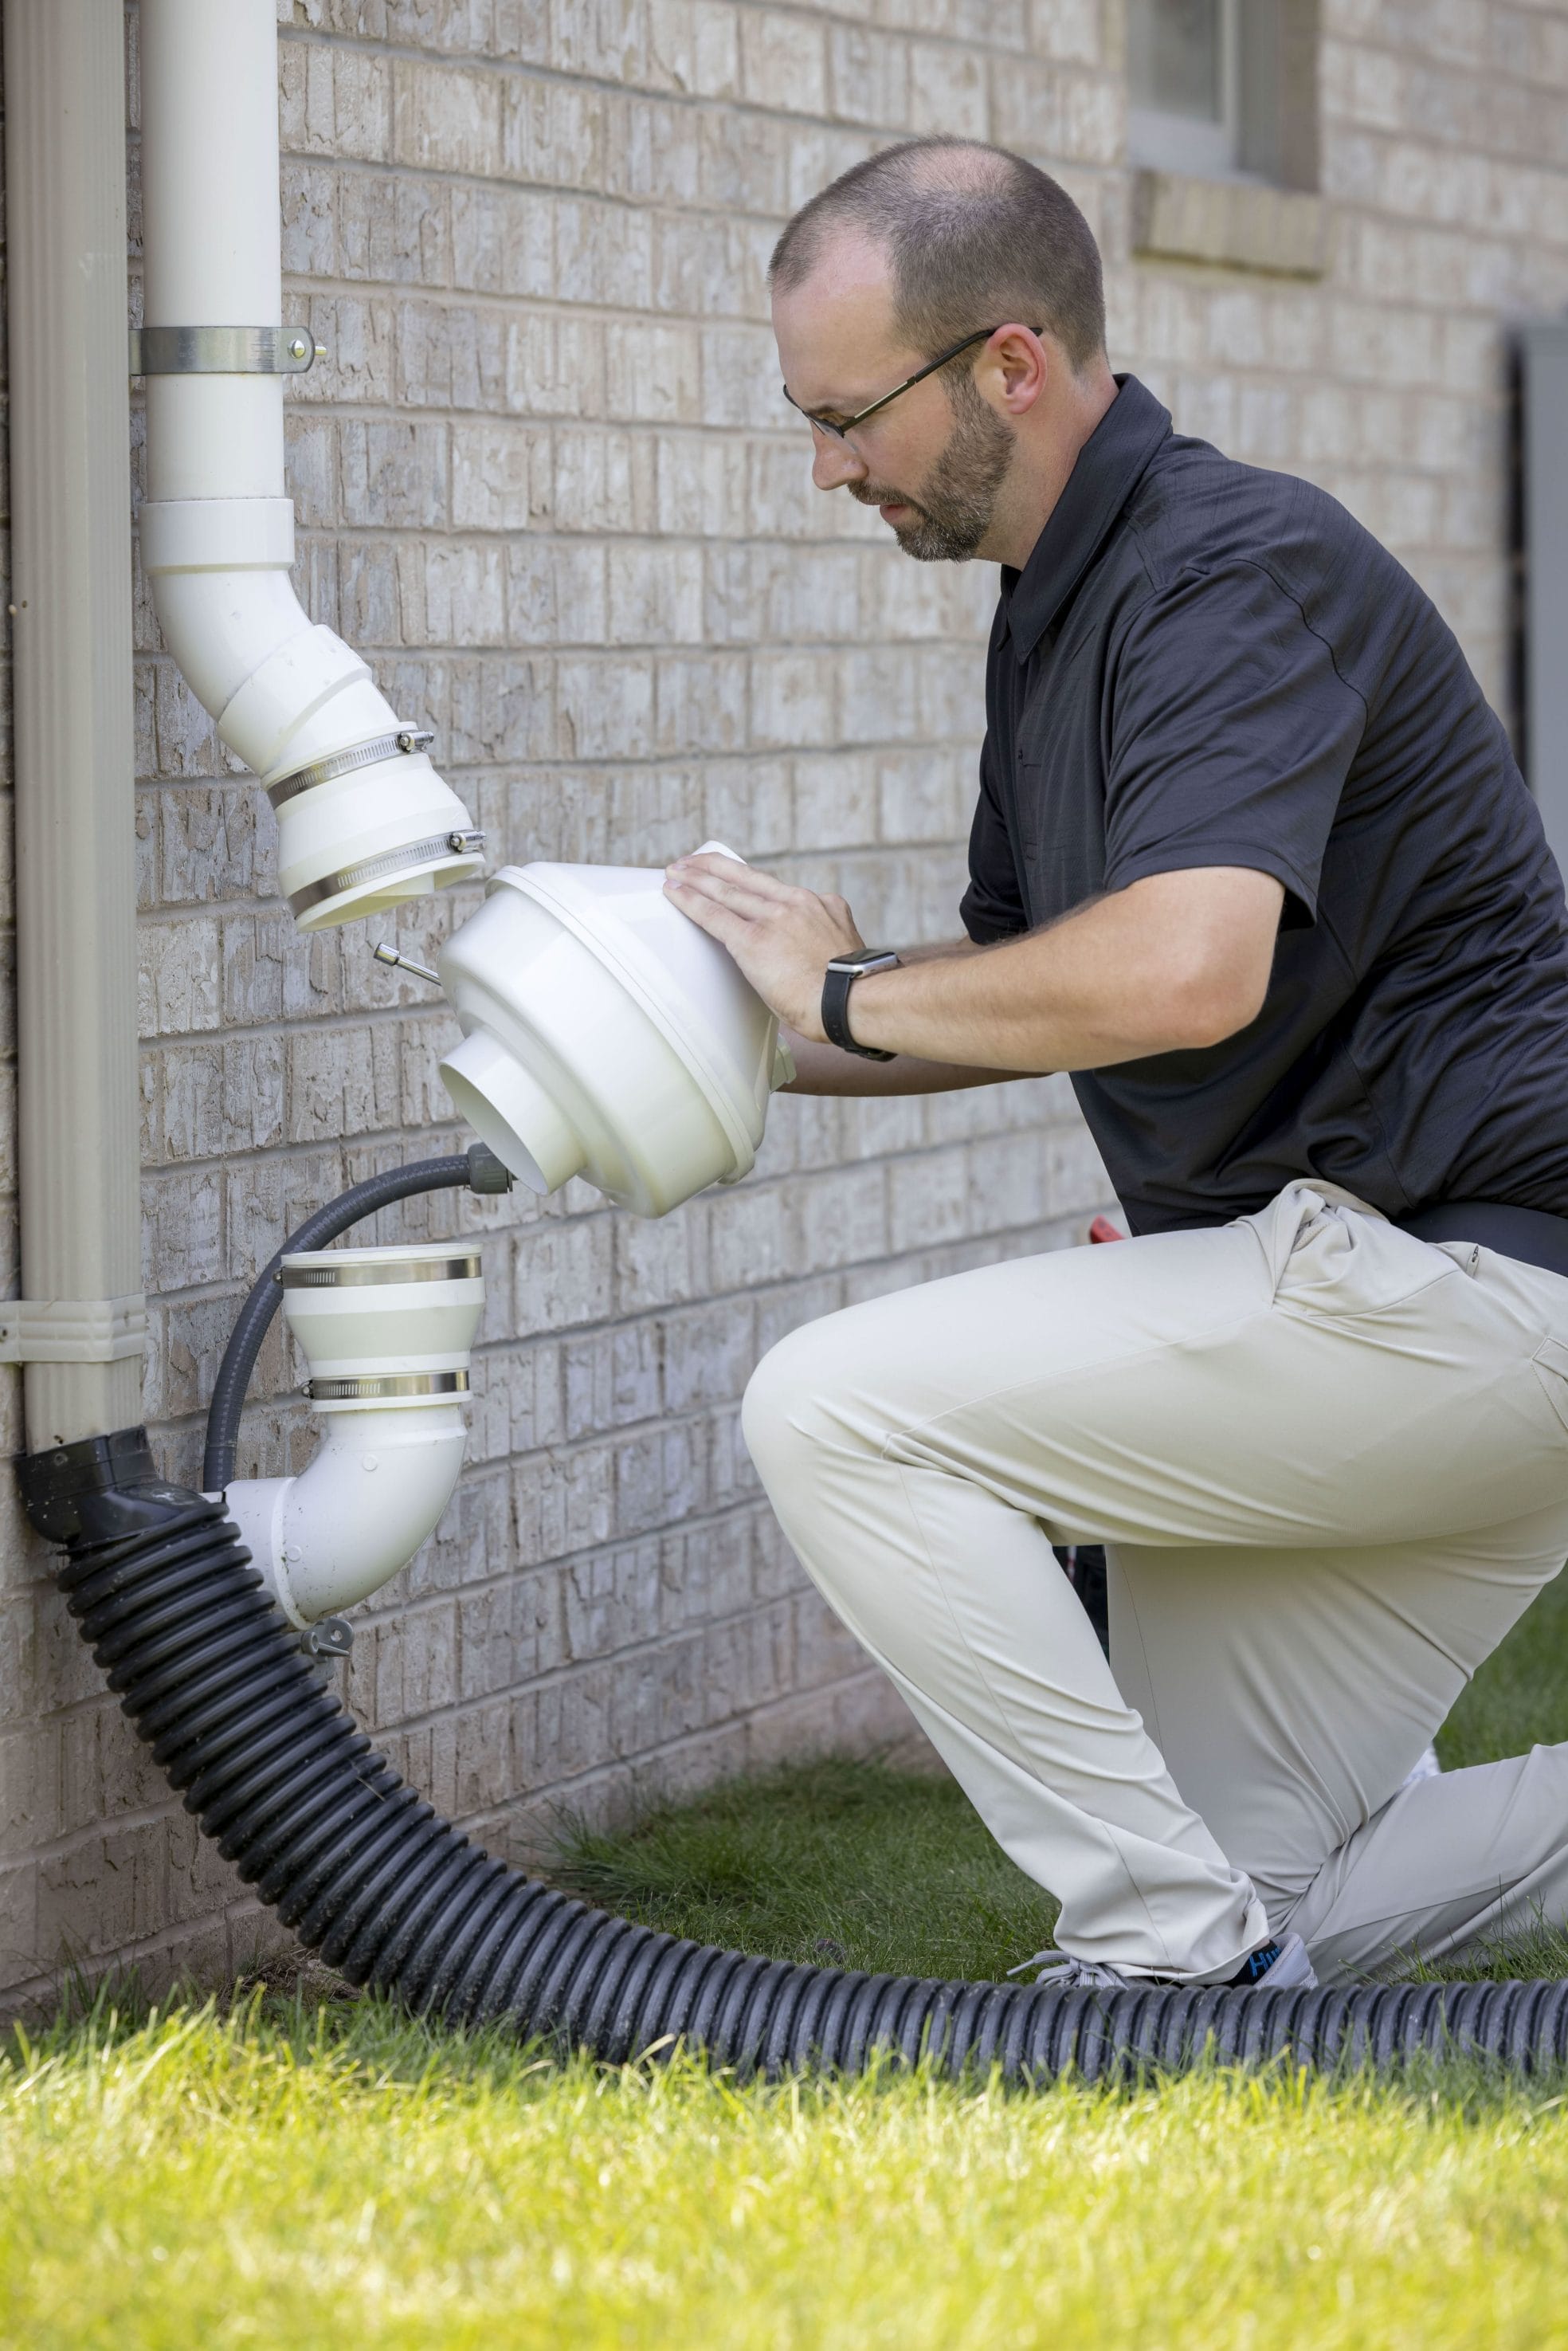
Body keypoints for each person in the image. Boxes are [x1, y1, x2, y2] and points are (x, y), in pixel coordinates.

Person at [664, 138, 1568, 1994]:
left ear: (1009, 363)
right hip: (1393, 1295)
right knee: (1267, 1867)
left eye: (847, 417)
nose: (827, 468)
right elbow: (1020, 989)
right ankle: (1222, 1932)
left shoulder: (1234, 568)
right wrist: (708, 1043)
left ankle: (1168, 1970)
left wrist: (842, 993)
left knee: (832, 1404)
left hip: (1468, 1286)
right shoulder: (1057, 616)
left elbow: (1177, 968)